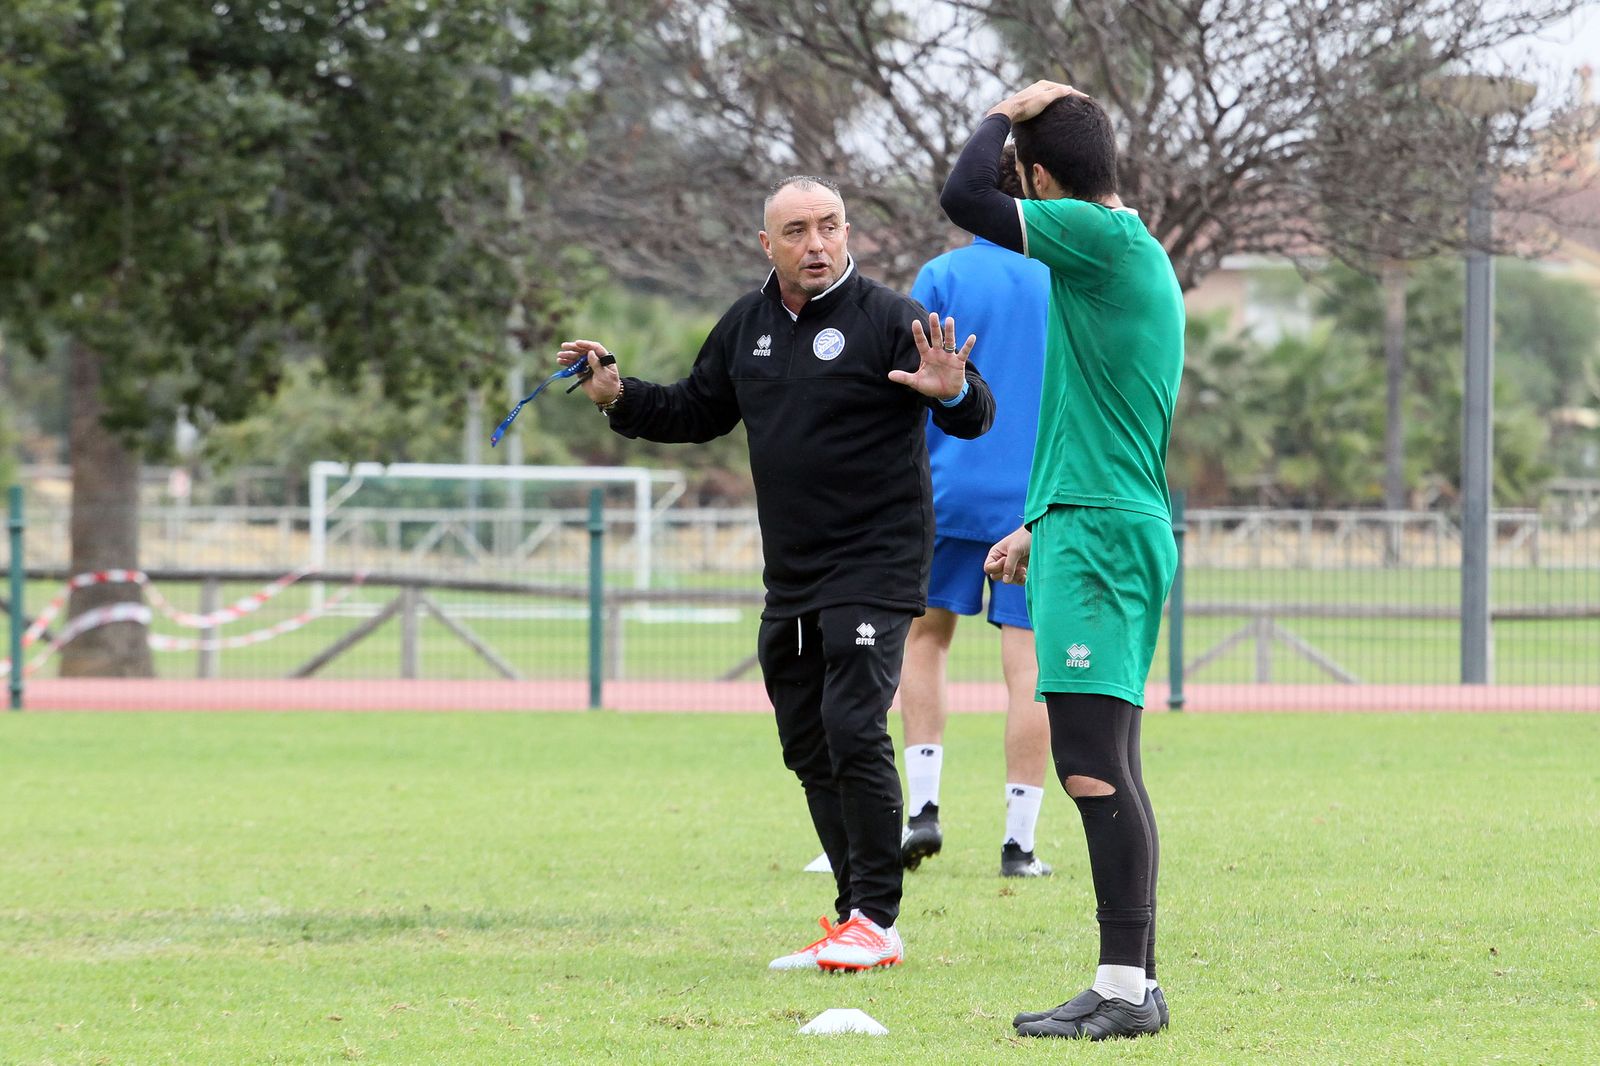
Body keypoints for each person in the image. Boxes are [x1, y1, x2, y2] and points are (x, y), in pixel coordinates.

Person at [559, 175, 995, 974]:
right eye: (796, 231)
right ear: (769, 246)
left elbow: (972, 411)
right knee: (808, 742)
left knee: (854, 724)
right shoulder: (747, 326)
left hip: (877, 560)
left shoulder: (892, 320)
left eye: (828, 226)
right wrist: (616, 397)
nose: (816, 243)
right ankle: (854, 915)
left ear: (847, 230)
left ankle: (877, 919)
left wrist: (955, 390)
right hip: (792, 575)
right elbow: (695, 410)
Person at [941, 82, 1183, 1039]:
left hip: (1104, 535)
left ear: (1043, 182)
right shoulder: (1118, 251)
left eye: (1026, 180)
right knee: (1105, 758)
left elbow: (963, 197)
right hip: (1085, 523)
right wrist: (1039, 523)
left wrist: (1003, 109)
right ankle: (1133, 984)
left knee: (1090, 766)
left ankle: (1125, 989)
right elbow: (1104, 413)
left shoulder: (1099, 236)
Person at [898, 144, 1055, 880]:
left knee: (924, 642)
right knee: (1026, 666)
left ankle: (921, 809)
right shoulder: (1066, 273)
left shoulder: (944, 274)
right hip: (1034, 503)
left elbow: (918, 382)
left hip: (949, 490)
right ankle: (1019, 845)